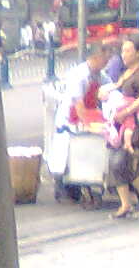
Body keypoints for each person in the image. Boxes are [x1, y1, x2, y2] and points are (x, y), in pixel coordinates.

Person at [106, 38, 139, 219]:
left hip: (134, 122)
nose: (124, 55)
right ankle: (126, 203)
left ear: (138, 53)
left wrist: (127, 111)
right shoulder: (124, 72)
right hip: (119, 122)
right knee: (116, 162)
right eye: (122, 51)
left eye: (128, 51)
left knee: (121, 161)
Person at [47, 44, 110, 186]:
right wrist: (89, 126)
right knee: (66, 161)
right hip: (70, 120)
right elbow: (78, 105)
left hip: (88, 115)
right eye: (105, 59)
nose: (107, 63)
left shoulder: (101, 76)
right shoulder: (79, 75)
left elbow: (110, 89)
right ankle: (62, 184)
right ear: (95, 57)